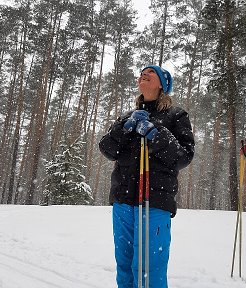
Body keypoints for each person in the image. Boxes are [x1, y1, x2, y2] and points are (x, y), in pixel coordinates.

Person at [99, 65, 195, 288]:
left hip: (155, 202)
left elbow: (184, 157)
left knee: (149, 270)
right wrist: (124, 127)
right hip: (123, 201)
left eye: (151, 73)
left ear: (163, 84)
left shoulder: (176, 115)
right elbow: (107, 149)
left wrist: (157, 133)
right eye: (143, 72)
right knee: (125, 267)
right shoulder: (127, 117)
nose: (145, 73)